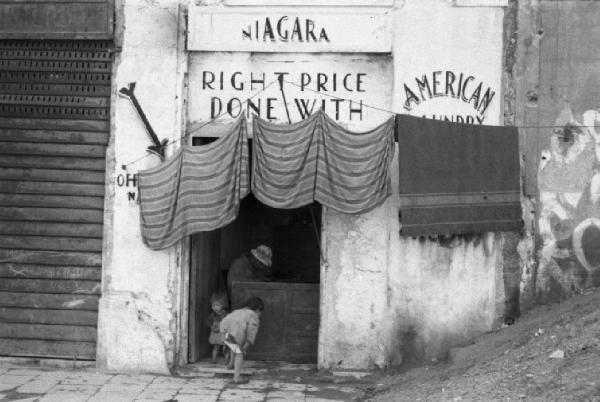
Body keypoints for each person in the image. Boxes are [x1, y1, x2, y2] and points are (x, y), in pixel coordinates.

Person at [220, 297, 264, 383]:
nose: (260, 314)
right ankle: (237, 377)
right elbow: (252, 330)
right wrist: (248, 342)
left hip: (224, 333)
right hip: (234, 336)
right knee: (240, 354)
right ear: (258, 309)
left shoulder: (237, 311)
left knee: (234, 348)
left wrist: (223, 332)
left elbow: (224, 320)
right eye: (260, 312)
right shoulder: (253, 315)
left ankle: (231, 364)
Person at [206, 292, 229, 362]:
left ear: (223, 305)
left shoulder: (226, 314)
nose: (215, 307)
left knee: (226, 346)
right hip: (215, 333)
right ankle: (213, 359)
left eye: (217, 305)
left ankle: (227, 360)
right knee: (216, 346)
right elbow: (208, 321)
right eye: (213, 305)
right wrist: (211, 326)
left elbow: (229, 323)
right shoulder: (212, 315)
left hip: (223, 333)